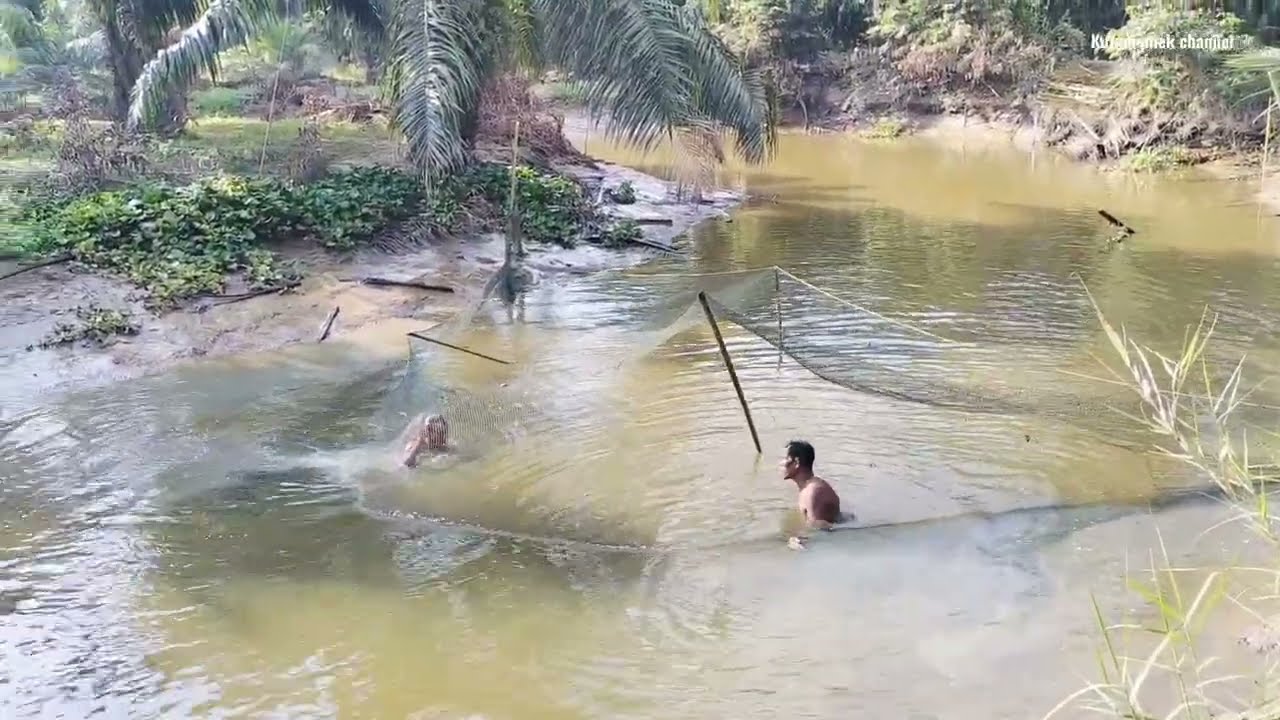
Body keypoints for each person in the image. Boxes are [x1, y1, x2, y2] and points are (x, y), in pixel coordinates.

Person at [781, 440, 849, 549]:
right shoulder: (808, 488)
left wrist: (795, 541)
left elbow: (820, 531)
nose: (781, 463)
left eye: (785, 458)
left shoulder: (813, 492)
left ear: (796, 462)